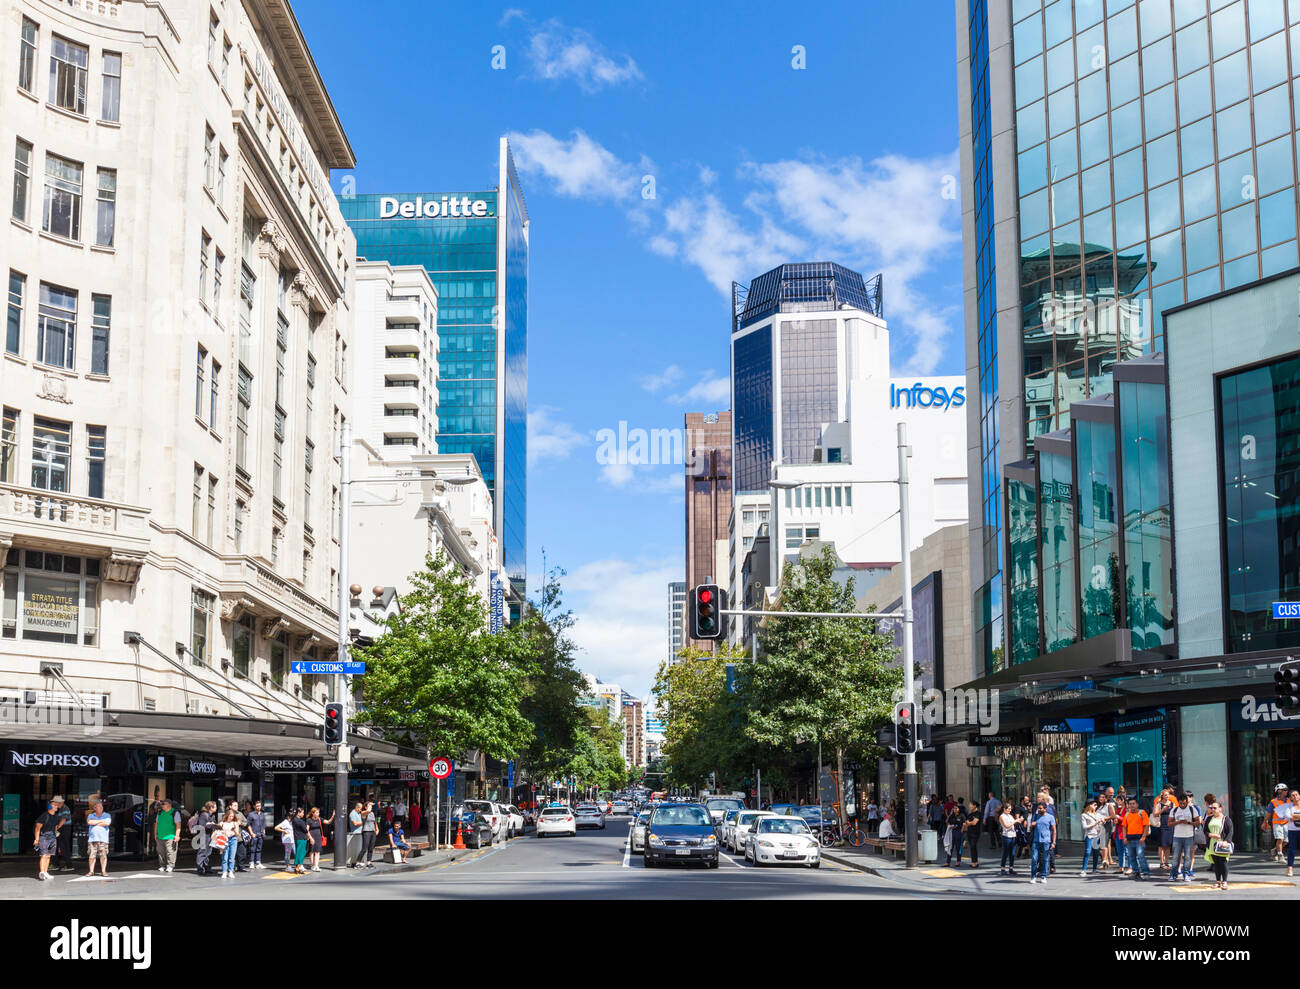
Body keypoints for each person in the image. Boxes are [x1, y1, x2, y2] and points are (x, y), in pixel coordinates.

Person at [1169, 791, 1200, 883]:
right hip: (1177, 836)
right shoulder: (1174, 810)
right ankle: (1173, 874)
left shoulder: (1192, 809)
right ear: (1178, 802)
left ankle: (1186, 874)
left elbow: (1198, 822)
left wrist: (1189, 823)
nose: (1182, 805)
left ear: (1187, 801)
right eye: (1180, 803)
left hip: (1189, 836)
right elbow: (1169, 823)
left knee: (1187, 856)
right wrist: (1178, 822)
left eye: (1184, 803)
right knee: (1175, 856)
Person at [1205, 799, 1234, 890]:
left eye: (1215, 808)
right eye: (1211, 808)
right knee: (1216, 863)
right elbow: (1205, 830)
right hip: (1212, 844)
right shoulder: (1209, 818)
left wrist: (1226, 841)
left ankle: (1224, 882)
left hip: (1222, 843)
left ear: (1220, 809)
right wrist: (1210, 834)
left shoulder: (1226, 819)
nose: (1213, 809)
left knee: (1223, 862)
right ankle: (1218, 882)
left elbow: (1230, 831)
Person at [33, 797, 64, 881]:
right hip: (44, 837)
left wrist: (55, 834)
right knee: (43, 855)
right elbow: (37, 828)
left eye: (57, 805)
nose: (56, 806)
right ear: (49, 806)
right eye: (54, 805)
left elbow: (55, 827)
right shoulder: (44, 816)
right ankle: (42, 872)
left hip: (52, 837)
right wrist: (36, 839)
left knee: (48, 855)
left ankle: (46, 872)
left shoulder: (56, 816)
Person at [1124, 797, 1152, 879]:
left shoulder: (1142, 813)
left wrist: (1143, 837)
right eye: (1130, 804)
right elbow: (1124, 827)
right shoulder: (1127, 814)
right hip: (1129, 839)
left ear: (1137, 805)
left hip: (1139, 839)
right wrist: (1125, 838)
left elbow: (1146, 825)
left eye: (1133, 804)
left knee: (1140, 856)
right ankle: (1136, 872)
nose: (1132, 805)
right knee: (1131, 856)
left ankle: (1146, 872)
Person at [1029, 801, 1055, 885]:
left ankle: (1043, 876)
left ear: (1045, 809)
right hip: (1036, 841)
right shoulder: (1035, 816)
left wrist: (1053, 842)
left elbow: (1054, 830)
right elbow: (1030, 827)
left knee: (1045, 859)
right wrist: (1032, 825)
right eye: (1038, 808)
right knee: (1034, 859)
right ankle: (1033, 876)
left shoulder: (1050, 817)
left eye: (1040, 808)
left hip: (1046, 841)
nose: (1039, 810)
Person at [85, 800, 111, 878]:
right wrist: (101, 821)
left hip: (103, 839)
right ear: (95, 808)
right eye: (99, 806)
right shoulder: (91, 815)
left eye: (101, 806)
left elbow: (107, 823)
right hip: (92, 839)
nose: (101, 808)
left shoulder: (107, 815)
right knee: (92, 856)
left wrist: (95, 822)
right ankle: (91, 871)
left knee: (103, 856)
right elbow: (90, 822)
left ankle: (103, 871)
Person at [1153, 786, 1176, 872]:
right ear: (1162, 796)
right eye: (1165, 795)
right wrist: (1163, 809)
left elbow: (1174, 814)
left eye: (1168, 795)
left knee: (1168, 845)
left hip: (1170, 825)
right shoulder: (1158, 804)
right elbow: (1155, 814)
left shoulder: (1172, 803)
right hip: (1161, 824)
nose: (1167, 796)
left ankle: (1166, 862)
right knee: (1161, 844)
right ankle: (1162, 862)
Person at [1266, 783, 1290, 862]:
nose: (1286, 791)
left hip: (1286, 823)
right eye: (1284, 790)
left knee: (1286, 841)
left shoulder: (1289, 800)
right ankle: (1280, 855)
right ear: (1279, 791)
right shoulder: (1273, 802)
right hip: (1277, 823)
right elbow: (1269, 813)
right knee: (1280, 839)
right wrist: (1265, 822)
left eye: (1286, 790)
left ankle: (1275, 850)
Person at [306, 807, 334, 872]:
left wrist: (332, 816)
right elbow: (307, 830)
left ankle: (316, 866)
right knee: (312, 851)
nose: (318, 814)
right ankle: (312, 865)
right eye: (317, 812)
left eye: (318, 812)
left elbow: (328, 822)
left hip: (318, 837)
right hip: (312, 836)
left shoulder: (319, 819)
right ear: (313, 813)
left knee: (317, 851)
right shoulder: (309, 820)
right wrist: (310, 838)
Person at [1079, 799, 1103, 876]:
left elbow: (1101, 824)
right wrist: (1095, 823)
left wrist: (1102, 822)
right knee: (1087, 852)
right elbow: (1085, 827)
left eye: (1096, 805)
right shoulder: (1084, 815)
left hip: (1097, 835)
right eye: (1094, 804)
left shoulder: (1097, 814)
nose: (1096, 806)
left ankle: (1094, 869)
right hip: (1089, 835)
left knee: (1096, 853)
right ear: (1089, 805)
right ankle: (1083, 870)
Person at [216, 806, 241, 879]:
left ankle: (231, 871)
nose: (231, 818)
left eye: (233, 816)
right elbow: (218, 831)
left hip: (233, 839)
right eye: (230, 816)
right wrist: (223, 831)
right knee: (225, 857)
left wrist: (234, 831)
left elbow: (237, 834)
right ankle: (224, 872)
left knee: (232, 857)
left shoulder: (235, 823)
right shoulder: (222, 823)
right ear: (227, 815)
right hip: (224, 840)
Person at [155, 798, 179, 873]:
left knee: (170, 852)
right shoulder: (159, 813)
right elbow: (156, 824)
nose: (161, 805)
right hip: (160, 836)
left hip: (170, 836)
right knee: (160, 852)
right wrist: (155, 834)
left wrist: (177, 835)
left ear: (168, 804)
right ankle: (162, 865)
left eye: (163, 804)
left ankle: (170, 866)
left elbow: (178, 825)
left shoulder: (174, 812)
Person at [194, 801, 217, 875]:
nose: (216, 808)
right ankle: (200, 868)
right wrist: (210, 825)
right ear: (211, 807)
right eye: (215, 806)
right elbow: (201, 826)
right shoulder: (204, 815)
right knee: (202, 852)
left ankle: (206, 867)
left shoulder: (212, 815)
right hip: (202, 836)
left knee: (208, 852)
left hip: (209, 835)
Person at [944, 799, 967, 867]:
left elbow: (964, 824)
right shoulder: (952, 815)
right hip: (952, 833)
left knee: (958, 847)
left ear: (959, 809)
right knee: (950, 847)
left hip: (958, 832)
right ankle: (948, 862)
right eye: (954, 808)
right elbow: (947, 821)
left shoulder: (962, 815)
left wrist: (961, 831)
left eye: (956, 808)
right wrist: (949, 826)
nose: (955, 809)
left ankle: (958, 861)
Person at [997, 802, 1018, 875]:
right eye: (1008, 809)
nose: (1010, 810)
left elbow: (1012, 824)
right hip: (1006, 836)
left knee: (1012, 853)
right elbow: (1006, 826)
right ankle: (1003, 868)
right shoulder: (1002, 816)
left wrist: (1017, 821)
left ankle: (1011, 868)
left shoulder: (1010, 816)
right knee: (1006, 852)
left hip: (1013, 835)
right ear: (1004, 809)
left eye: (1010, 809)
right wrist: (1015, 821)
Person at [245, 800, 266, 869]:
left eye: (259, 806)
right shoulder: (251, 814)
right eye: (257, 806)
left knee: (259, 848)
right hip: (254, 834)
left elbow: (263, 824)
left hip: (261, 834)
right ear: (254, 806)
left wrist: (264, 831)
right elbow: (248, 825)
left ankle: (258, 862)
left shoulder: (262, 814)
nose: (258, 807)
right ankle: (251, 862)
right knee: (252, 849)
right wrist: (251, 833)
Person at [291, 806, 311, 874]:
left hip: (298, 838)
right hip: (301, 838)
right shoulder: (299, 821)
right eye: (302, 813)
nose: (303, 814)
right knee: (301, 853)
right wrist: (309, 836)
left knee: (299, 852)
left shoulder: (294, 820)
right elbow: (305, 830)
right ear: (298, 813)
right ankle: (297, 867)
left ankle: (298, 867)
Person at [962, 798, 982, 867]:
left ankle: (974, 863)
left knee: (973, 846)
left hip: (976, 833)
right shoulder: (970, 814)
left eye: (970, 805)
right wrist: (967, 824)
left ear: (974, 806)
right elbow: (966, 823)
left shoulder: (978, 813)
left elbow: (974, 823)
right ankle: (974, 862)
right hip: (969, 832)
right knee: (972, 847)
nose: (969, 806)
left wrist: (969, 823)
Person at [360, 801, 378, 868]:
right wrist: (370, 804)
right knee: (364, 848)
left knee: (371, 848)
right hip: (366, 831)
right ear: (365, 807)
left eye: (371, 806)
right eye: (369, 806)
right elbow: (368, 810)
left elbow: (374, 821)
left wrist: (377, 829)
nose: (371, 807)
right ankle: (358, 862)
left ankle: (369, 862)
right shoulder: (363, 813)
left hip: (372, 831)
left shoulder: (372, 813)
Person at [348, 801, 364, 867]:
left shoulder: (359, 813)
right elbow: (355, 823)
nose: (361, 810)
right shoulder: (352, 814)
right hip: (355, 833)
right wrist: (363, 823)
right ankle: (354, 862)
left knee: (359, 848)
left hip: (360, 832)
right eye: (360, 808)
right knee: (355, 849)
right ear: (357, 807)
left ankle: (358, 861)